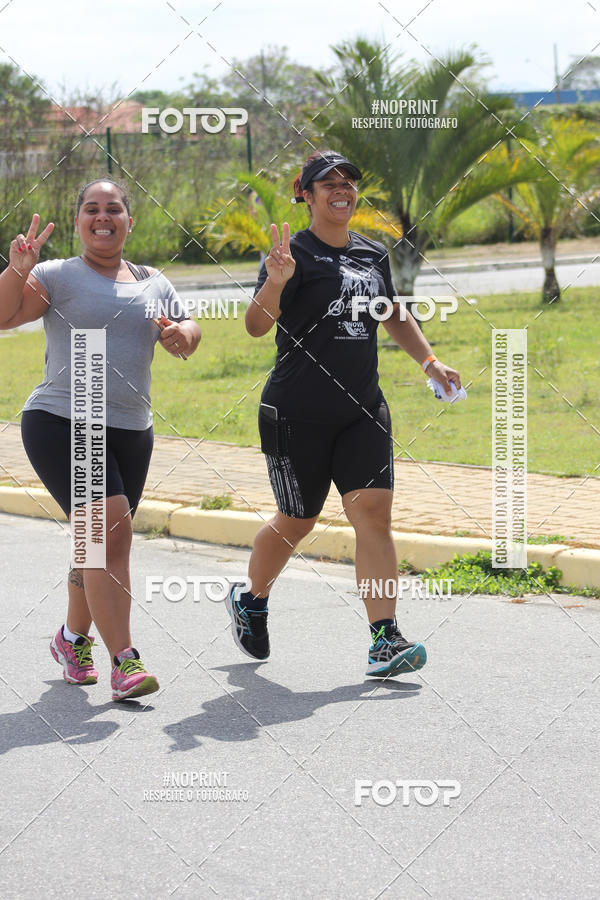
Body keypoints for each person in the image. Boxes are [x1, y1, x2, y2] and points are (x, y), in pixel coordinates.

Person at [225, 150, 461, 677]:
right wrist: (276, 281)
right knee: (297, 521)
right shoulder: (291, 255)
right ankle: (251, 600)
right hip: (295, 414)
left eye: (348, 182)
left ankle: (384, 639)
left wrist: (429, 359)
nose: (341, 190)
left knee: (373, 517)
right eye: (327, 183)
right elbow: (256, 326)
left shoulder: (372, 255)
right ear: (304, 195)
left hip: (362, 410)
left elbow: (390, 311)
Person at [0, 178, 201, 700]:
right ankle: (125, 662)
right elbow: (3, 316)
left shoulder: (154, 280)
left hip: (133, 429)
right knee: (112, 535)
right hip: (65, 419)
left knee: (96, 545)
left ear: (130, 221)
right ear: (78, 223)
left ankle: (71, 639)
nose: (103, 216)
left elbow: (187, 329)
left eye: (114, 209)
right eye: (91, 209)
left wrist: (184, 336)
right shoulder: (57, 275)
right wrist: (18, 267)